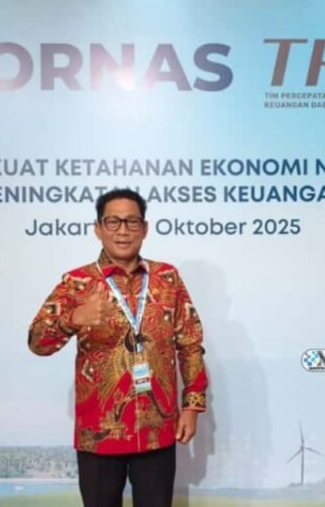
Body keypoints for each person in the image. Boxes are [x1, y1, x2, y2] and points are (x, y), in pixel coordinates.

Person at [28, 189, 208, 507]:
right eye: (113, 222)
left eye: (131, 222)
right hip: (99, 434)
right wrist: (73, 319)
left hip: (157, 430)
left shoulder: (168, 278)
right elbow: (37, 342)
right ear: (98, 229)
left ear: (144, 229)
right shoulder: (76, 283)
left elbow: (190, 343)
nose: (123, 230)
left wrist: (192, 406)